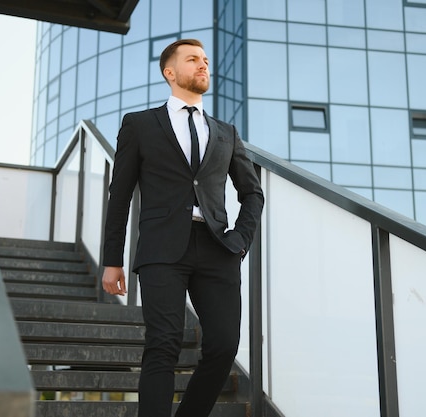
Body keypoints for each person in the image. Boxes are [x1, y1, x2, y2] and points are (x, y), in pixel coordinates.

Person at [101, 38, 264, 417]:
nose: (203, 65)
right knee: (164, 342)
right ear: (169, 72)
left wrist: (240, 240)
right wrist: (112, 259)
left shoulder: (227, 132)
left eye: (205, 60)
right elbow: (119, 195)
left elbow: (252, 193)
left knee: (224, 345)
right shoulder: (140, 125)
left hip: (218, 248)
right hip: (161, 248)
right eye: (193, 59)